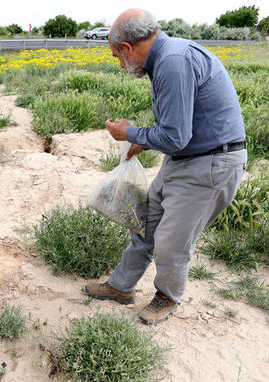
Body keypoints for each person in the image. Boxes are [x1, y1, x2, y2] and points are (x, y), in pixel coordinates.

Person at [85, 9, 247, 325]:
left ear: (127, 47)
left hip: (210, 164)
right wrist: (143, 142)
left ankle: (167, 297)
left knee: (172, 240)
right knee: (145, 225)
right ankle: (121, 287)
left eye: (117, 56)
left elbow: (175, 136)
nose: (120, 64)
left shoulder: (173, 61)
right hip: (186, 159)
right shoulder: (168, 58)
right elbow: (179, 129)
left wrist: (129, 133)